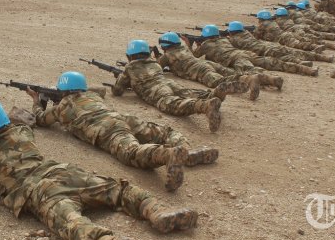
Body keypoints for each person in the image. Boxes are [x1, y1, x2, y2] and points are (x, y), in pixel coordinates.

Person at [0, 99, 199, 240]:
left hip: (38, 190)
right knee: (116, 189)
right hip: (61, 172)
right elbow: (18, 128)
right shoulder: (22, 133)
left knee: (71, 222)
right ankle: (156, 211)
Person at [28, 71, 219, 191]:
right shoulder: (92, 94)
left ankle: (167, 154)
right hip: (122, 118)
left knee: (132, 153)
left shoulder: (61, 107)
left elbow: (41, 120)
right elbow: (99, 89)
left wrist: (37, 102)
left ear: (62, 90)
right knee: (163, 132)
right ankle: (188, 151)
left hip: (107, 129)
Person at [111, 40, 224, 132]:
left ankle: (204, 106)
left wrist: (121, 77)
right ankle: (213, 95)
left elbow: (117, 90)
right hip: (168, 83)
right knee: (188, 92)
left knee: (172, 104)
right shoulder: (155, 63)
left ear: (130, 56)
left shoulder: (130, 67)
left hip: (156, 90)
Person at [154, 32, 275, 100]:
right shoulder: (184, 48)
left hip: (199, 70)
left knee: (219, 81)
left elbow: (156, 68)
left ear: (165, 45)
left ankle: (249, 80)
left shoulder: (168, 55)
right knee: (231, 73)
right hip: (206, 64)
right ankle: (268, 79)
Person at [185, 25, 318, 77]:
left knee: (252, 71)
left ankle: (272, 79)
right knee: (274, 62)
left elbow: (193, 58)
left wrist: (189, 45)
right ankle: (305, 68)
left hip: (236, 59)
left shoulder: (206, 45)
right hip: (244, 53)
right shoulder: (225, 40)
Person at [225, 20, 334, 63]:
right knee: (292, 51)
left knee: (285, 57)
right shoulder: (246, 33)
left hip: (265, 50)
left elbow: (229, 44)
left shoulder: (234, 39)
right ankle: (323, 57)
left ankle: (300, 62)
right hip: (269, 45)